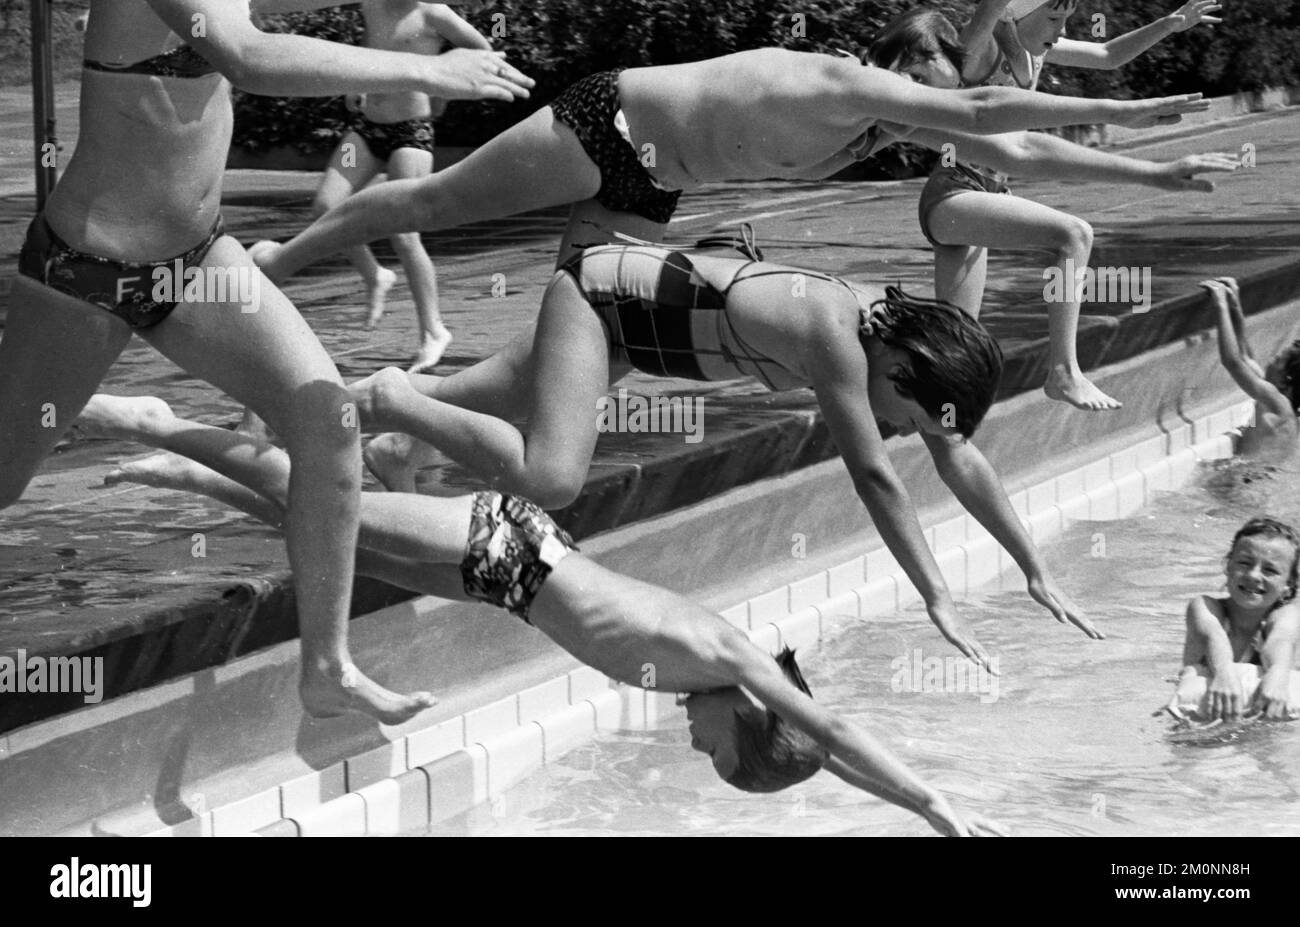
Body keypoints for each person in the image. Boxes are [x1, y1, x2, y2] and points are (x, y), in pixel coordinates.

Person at [76, 395, 1005, 836]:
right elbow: (832, 730)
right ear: (757, 717)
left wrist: (904, 805)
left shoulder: (721, 680)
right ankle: (158, 421)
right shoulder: (729, 656)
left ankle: (191, 469)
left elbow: (827, 755)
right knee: (319, 486)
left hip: (501, 582)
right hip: (510, 545)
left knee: (321, 535)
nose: (694, 749)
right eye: (718, 751)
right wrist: (936, 806)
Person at [3, 0, 532, 724]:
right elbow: (247, 55)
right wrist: (425, 68)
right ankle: (87, 409)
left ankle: (327, 667)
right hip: (89, 268)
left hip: (196, 264)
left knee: (327, 422)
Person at [347, 237, 1103, 669]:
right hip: (605, 306)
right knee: (551, 475)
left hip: (629, 316)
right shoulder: (838, 342)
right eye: (908, 418)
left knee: (483, 396)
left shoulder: (892, 345)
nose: (903, 433)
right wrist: (938, 595)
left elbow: (957, 454)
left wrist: (1031, 564)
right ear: (902, 371)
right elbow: (875, 476)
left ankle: (382, 432)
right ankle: (394, 399)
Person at [247, 35, 1216, 278]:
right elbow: (983, 101)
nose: (933, 101)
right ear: (898, 62)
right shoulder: (843, 82)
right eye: (925, 78)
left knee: (591, 322)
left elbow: (1019, 143)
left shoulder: (889, 125)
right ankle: (276, 263)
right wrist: (1129, 113)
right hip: (605, 127)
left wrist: (1153, 173)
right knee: (430, 205)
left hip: (651, 182)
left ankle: (429, 417)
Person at [917, 0, 1222, 410]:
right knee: (1073, 236)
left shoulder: (1037, 48)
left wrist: (1168, 25)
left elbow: (1108, 55)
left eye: (1066, 20)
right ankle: (1063, 371)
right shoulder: (987, 46)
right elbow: (982, 22)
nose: (1061, 30)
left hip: (984, 198)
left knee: (956, 346)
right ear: (1014, 13)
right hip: (954, 194)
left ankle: (878, 385)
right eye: (1055, 18)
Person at [314, 1, 493, 372]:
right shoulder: (372, 5)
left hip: (410, 133)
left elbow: (483, 50)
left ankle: (433, 330)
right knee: (325, 206)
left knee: (404, 233)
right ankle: (375, 275)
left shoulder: (434, 15)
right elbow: (368, 47)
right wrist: (355, 81)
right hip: (366, 129)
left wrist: (445, 91)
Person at [1171, 517, 1300, 722]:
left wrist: (1277, 673)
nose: (1254, 575)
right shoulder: (1205, 606)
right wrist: (1223, 673)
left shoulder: (1287, 614)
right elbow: (1213, 636)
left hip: (1265, 717)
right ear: (1228, 566)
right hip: (1203, 716)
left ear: (1289, 584)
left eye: (1270, 570)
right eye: (1244, 563)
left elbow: (1281, 640)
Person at [1199, 277, 1300, 463]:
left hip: (1249, 483)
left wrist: (1220, 306)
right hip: (1257, 479)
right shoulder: (1279, 400)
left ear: (1286, 376)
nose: (1273, 357)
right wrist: (1234, 304)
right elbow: (1244, 356)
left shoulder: (1277, 402)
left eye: (1278, 358)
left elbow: (1232, 362)